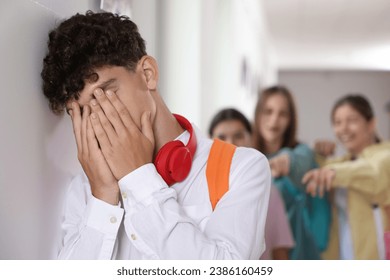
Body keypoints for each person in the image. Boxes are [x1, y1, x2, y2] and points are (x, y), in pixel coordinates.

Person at [40, 11, 271, 260]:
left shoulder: (242, 168)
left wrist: (138, 178)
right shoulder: (86, 188)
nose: (99, 119)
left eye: (104, 95)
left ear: (148, 74)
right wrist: (103, 197)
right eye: (83, 112)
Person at [303, 94, 390, 259]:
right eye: (337, 122)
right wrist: (317, 153)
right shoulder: (343, 161)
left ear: (371, 123)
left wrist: (334, 172)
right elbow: (320, 170)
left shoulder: (385, 155)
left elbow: (373, 172)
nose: (343, 128)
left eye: (352, 120)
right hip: (343, 255)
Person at [252, 85, 331, 259]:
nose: (274, 120)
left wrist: (285, 160)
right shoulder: (247, 159)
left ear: (290, 120)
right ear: (257, 114)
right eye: (268, 111)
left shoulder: (303, 154)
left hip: (299, 254)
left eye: (283, 114)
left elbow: (297, 162)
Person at [209, 108, 295, 260]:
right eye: (221, 137)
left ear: (251, 138)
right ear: (209, 142)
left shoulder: (270, 193)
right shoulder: (199, 191)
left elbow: (280, 254)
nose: (230, 143)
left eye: (239, 135)